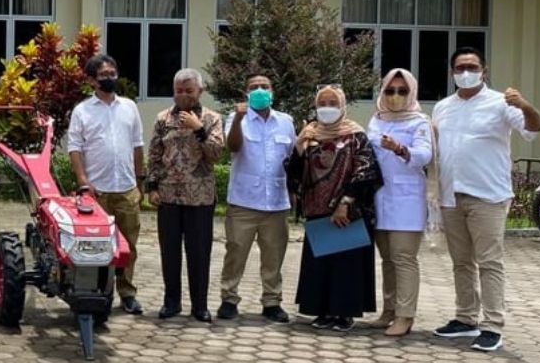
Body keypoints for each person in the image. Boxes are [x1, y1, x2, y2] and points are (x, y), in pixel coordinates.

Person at [432, 47, 540, 352]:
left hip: (488, 196)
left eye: (472, 66)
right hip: (451, 195)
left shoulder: (501, 103)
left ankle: (492, 325)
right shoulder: (443, 107)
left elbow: (534, 129)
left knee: (489, 262)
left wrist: (524, 105)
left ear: (484, 70)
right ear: (452, 72)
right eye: (460, 67)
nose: (466, 72)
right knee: (461, 262)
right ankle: (465, 318)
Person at [287, 85, 382, 332]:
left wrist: (345, 202)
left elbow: (366, 170)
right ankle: (323, 311)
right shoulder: (310, 134)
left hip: (346, 211)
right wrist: (299, 145)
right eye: (322, 103)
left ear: (342, 106)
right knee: (322, 264)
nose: (327, 108)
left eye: (332, 103)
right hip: (317, 209)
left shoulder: (355, 135)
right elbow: (294, 173)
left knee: (345, 265)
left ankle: (344, 313)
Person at [67, 54, 145, 315]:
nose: (110, 78)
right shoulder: (82, 111)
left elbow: (137, 146)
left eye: (113, 73)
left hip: (126, 189)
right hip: (96, 192)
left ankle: (127, 294)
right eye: (103, 75)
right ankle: (97, 293)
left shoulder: (129, 107)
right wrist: (83, 181)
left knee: (128, 247)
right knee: (96, 247)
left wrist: (140, 181)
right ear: (92, 80)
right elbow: (75, 149)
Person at [146, 68, 224, 322]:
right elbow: (154, 155)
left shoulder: (212, 118)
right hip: (168, 196)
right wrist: (152, 187)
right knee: (169, 253)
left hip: (199, 197)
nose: (183, 95)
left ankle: (199, 305)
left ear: (200, 91)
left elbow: (216, 154)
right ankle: (171, 302)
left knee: (199, 254)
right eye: (179, 90)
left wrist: (198, 129)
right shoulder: (163, 118)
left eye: (189, 91)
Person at [217, 75, 295, 323]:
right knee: (235, 253)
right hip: (244, 201)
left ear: (272, 92)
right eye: (254, 87)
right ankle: (229, 299)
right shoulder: (236, 118)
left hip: (276, 202)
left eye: (264, 87)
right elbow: (233, 147)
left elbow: (292, 157)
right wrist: (238, 119)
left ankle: (272, 302)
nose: (260, 90)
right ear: (246, 93)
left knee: (274, 256)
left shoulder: (286, 122)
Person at [367, 68, 433, 337]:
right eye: (390, 90)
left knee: (404, 258)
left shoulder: (419, 122)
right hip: (380, 198)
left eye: (402, 91)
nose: (395, 96)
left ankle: (405, 315)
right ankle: (389, 310)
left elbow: (425, 155)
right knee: (387, 259)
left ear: (412, 92)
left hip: (408, 200)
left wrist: (401, 149)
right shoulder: (376, 120)